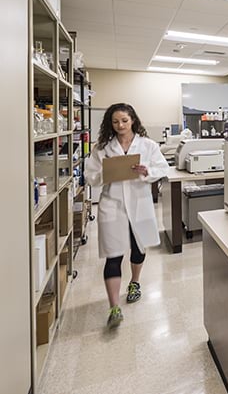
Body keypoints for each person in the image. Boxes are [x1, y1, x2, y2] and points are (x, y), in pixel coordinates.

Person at [85, 103, 169, 328]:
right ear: (110, 124)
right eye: (115, 122)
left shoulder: (148, 145)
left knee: (138, 246)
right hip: (112, 204)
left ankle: (134, 282)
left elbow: (163, 168)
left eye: (124, 120)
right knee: (113, 255)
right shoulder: (102, 148)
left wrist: (147, 171)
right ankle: (114, 308)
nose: (120, 125)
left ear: (132, 120)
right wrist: (106, 172)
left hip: (139, 203)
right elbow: (90, 176)